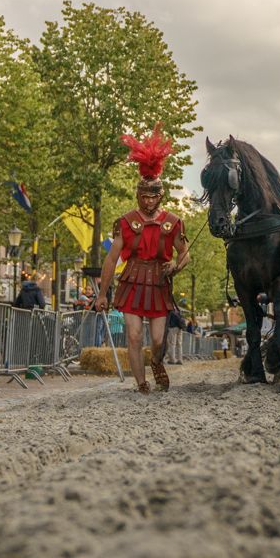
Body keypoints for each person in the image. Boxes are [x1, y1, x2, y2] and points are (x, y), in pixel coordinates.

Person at [95, 124, 190, 395]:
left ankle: (157, 362)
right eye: (145, 196)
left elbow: (185, 253)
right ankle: (141, 383)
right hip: (132, 281)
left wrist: (176, 266)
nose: (149, 201)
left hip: (159, 282)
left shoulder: (173, 222)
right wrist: (102, 294)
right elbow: (112, 259)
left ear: (161, 196)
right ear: (139, 195)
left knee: (158, 340)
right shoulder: (126, 222)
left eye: (153, 196)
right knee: (134, 335)